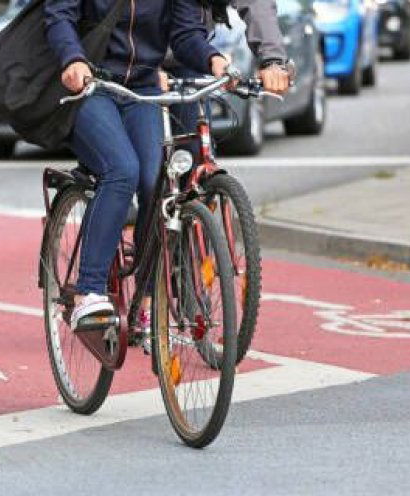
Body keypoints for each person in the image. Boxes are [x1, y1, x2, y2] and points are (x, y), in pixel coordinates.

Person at [44, 0, 231, 328]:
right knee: (121, 170)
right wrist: (72, 59)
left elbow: (186, 34)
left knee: (156, 181)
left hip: (141, 88)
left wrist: (212, 59)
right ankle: (89, 291)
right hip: (92, 85)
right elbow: (60, 16)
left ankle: (145, 297)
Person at [168, 0, 291, 155]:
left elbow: (256, 3)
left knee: (197, 153)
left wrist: (272, 60)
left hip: (191, 54)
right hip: (136, 66)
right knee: (141, 169)